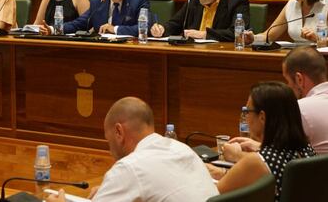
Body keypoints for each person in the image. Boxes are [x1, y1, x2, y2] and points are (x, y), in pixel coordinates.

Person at [47, 97, 218, 202]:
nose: (109, 150)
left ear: (119, 132)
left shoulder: (129, 167)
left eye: (108, 141)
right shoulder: (183, 149)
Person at [207, 82, 315, 201]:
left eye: (247, 111)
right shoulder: (307, 150)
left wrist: (195, 168)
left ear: (262, 117)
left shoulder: (257, 162)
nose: (245, 116)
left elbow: (214, 196)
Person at [224, 46, 328, 162]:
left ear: (299, 79)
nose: (287, 87)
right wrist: (258, 146)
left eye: (287, 81)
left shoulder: (300, 109)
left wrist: (237, 155)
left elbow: (276, 163)